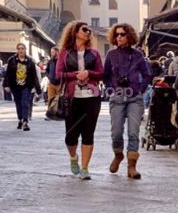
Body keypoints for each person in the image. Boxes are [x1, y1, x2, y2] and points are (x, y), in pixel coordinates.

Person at [103, 23, 152, 179]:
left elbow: (147, 75)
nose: (119, 37)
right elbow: (106, 76)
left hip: (134, 99)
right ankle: (118, 155)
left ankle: (132, 167)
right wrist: (112, 88)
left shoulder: (137, 55)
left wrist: (140, 89)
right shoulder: (111, 55)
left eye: (122, 34)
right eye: (116, 34)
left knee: (133, 132)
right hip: (117, 97)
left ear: (129, 36)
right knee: (116, 132)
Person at [56, 20, 103, 180]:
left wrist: (88, 73)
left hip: (92, 98)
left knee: (88, 134)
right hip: (72, 98)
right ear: (75, 32)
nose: (88, 32)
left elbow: (101, 73)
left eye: (89, 30)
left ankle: (85, 168)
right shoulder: (64, 53)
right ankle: (73, 157)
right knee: (70, 137)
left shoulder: (94, 53)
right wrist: (75, 75)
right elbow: (58, 75)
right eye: (85, 29)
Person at [4, 42, 40, 130]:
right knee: (18, 104)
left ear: (25, 50)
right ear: (17, 50)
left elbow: (34, 75)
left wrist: (37, 88)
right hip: (15, 86)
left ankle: (25, 121)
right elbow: (7, 74)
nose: (20, 50)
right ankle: (20, 119)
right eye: (19, 48)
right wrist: (6, 85)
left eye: (22, 48)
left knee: (25, 103)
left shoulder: (30, 61)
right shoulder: (12, 60)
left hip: (26, 86)